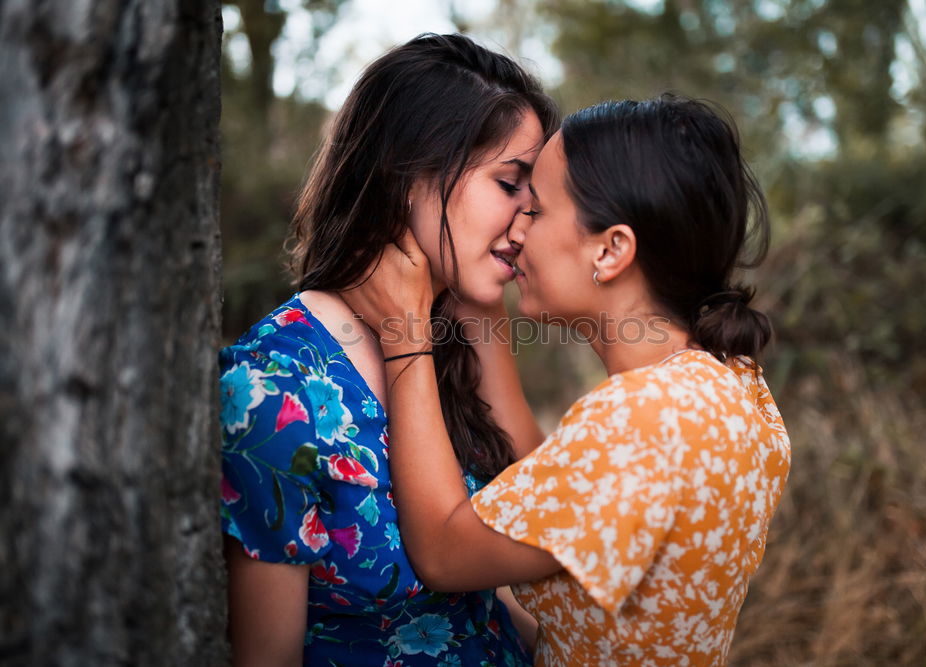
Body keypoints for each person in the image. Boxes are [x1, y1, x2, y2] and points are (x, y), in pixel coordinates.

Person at [342, 93, 792, 666]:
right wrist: (481, 311)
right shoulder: (725, 382)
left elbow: (443, 552)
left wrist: (403, 336)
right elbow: (553, 487)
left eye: (538, 208)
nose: (518, 229)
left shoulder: (644, 418)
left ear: (610, 250)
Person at [219, 33, 558, 666]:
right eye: (510, 184)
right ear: (408, 174)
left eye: (534, 197)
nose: (527, 219)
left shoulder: (455, 334)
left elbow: (528, 543)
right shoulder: (272, 389)